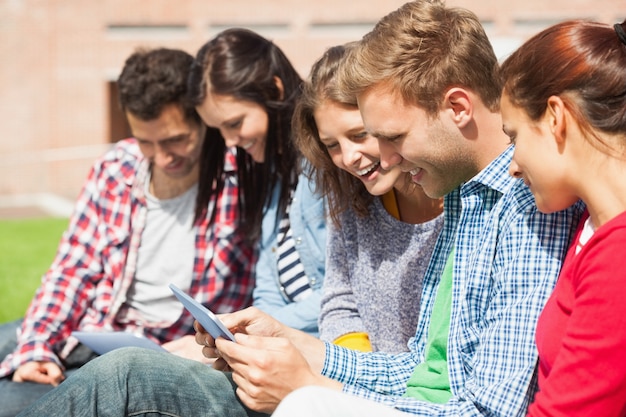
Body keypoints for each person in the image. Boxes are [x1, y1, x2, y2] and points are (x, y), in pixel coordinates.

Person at [16, 2, 583, 416]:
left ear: (457, 107)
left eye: (387, 135)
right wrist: (298, 351)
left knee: (124, 377)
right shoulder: (467, 200)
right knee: (95, 374)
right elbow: (421, 372)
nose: (374, 159)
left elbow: (485, 408)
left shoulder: (526, 208)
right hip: (357, 391)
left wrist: (309, 387)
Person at [0, 47, 256, 416]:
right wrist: (36, 348)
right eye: (145, 142)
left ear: (202, 120)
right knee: (22, 350)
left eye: (174, 140)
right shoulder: (116, 167)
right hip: (93, 331)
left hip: (164, 356)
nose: (162, 157)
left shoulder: (242, 181)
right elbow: (72, 271)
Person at [499, 19, 626, 417]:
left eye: (514, 136)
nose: (512, 166)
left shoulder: (618, 255)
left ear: (555, 116)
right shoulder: (590, 224)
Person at [292, 43, 443, 353]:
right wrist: (359, 365)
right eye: (332, 145)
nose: (348, 158)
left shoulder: (461, 202)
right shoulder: (353, 200)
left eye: (360, 135)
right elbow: (340, 301)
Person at [187, 27, 327, 336]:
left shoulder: (328, 167)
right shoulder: (276, 179)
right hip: (282, 344)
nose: (229, 141)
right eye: (219, 129)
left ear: (273, 91)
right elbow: (268, 285)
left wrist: (258, 329)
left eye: (234, 123)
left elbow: (343, 294)